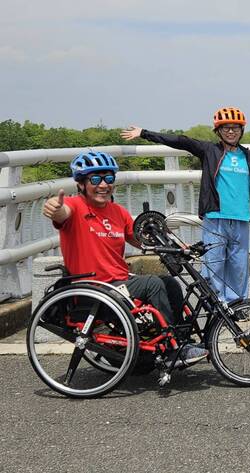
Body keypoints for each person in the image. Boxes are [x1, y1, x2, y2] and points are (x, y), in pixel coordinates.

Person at [42, 151, 207, 366]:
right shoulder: (75, 206)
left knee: (170, 283)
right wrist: (54, 207)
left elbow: (140, 239)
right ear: (82, 184)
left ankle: (180, 338)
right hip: (97, 287)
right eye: (95, 179)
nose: (103, 185)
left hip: (120, 283)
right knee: (153, 284)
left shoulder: (117, 212)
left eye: (109, 179)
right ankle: (170, 349)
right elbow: (61, 212)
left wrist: (175, 246)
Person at [121, 107, 250, 303]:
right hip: (215, 218)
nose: (231, 132)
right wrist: (144, 133)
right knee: (214, 264)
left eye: (235, 128)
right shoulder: (209, 150)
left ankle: (237, 304)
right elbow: (181, 141)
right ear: (218, 131)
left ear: (241, 131)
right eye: (226, 128)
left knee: (239, 267)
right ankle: (216, 304)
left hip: (241, 219)